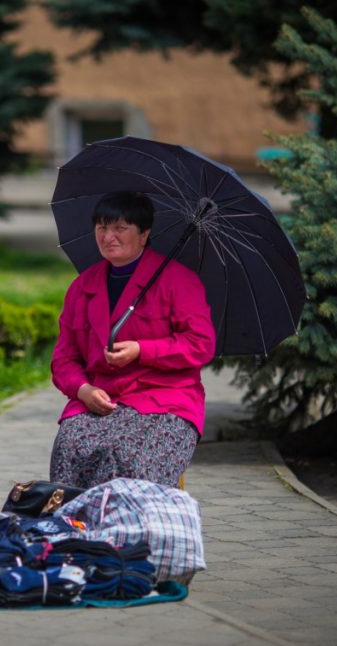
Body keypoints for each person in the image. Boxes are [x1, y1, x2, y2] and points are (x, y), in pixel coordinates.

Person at [49, 191, 216, 489]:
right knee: (71, 446)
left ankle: (134, 530)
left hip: (165, 400)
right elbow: (64, 358)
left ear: (144, 234)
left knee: (128, 457)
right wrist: (83, 389)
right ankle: (76, 531)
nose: (108, 236)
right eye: (101, 227)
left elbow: (200, 344)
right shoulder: (82, 287)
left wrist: (142, 350)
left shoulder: (179, 281)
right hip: (101, 399)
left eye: (120, 228)